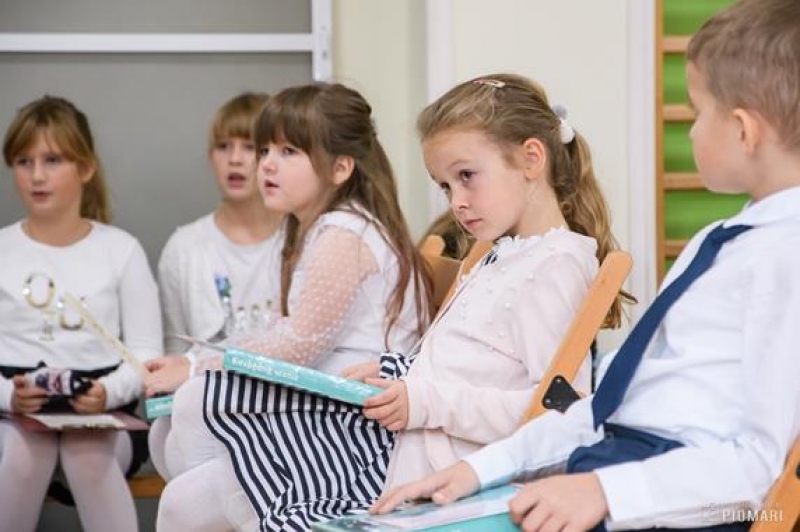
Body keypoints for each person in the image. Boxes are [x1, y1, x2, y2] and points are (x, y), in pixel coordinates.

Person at [372, 1, 800, 530]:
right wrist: (478, 469)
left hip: (664, 496)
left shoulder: (784, 258)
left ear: (743, 130)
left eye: (696, 113)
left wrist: (606, 491)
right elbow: (603, 410)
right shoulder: (721, 242)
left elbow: (759, 467)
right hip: (614, 461)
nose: (690, 132)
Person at [144, 82, 433, 531]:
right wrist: (195, 360)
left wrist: (198, 367)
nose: (266, 164)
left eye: (289, 151)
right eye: (265, 150)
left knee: (191, 413)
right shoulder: (320, 229)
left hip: (359, 426)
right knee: (172, 422)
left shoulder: (344, 234)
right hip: (331, 404)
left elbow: (299, 347)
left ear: (340, 167)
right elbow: (286, 332)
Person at [359, 72, 628, 496]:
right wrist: (400, 374)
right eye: (445, 186)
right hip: (422, 464)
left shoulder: (553, 265)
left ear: (531, 160)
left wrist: (426, 403)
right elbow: (472, 364)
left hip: (461, 489)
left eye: (466, 175)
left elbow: (558, 411)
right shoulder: (501, 251)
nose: (456, 202)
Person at [0, 96, 162, 532]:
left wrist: (106, 393)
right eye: (24, 161)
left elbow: (146, 352)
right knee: (24, 452)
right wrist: (9, 397)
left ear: (86, 168)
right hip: (11, 413)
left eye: (52, 160)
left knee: (85, 450)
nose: (36, 175)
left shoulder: (121, 250)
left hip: (104, 410)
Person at [147, 92, 284, 481]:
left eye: (250, 147)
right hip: (204, 406)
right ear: (211, 157)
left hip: (277, 408)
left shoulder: (298, 241)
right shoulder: (184, 247)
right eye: (224, 147)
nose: (236, 159)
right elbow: (175, 349)